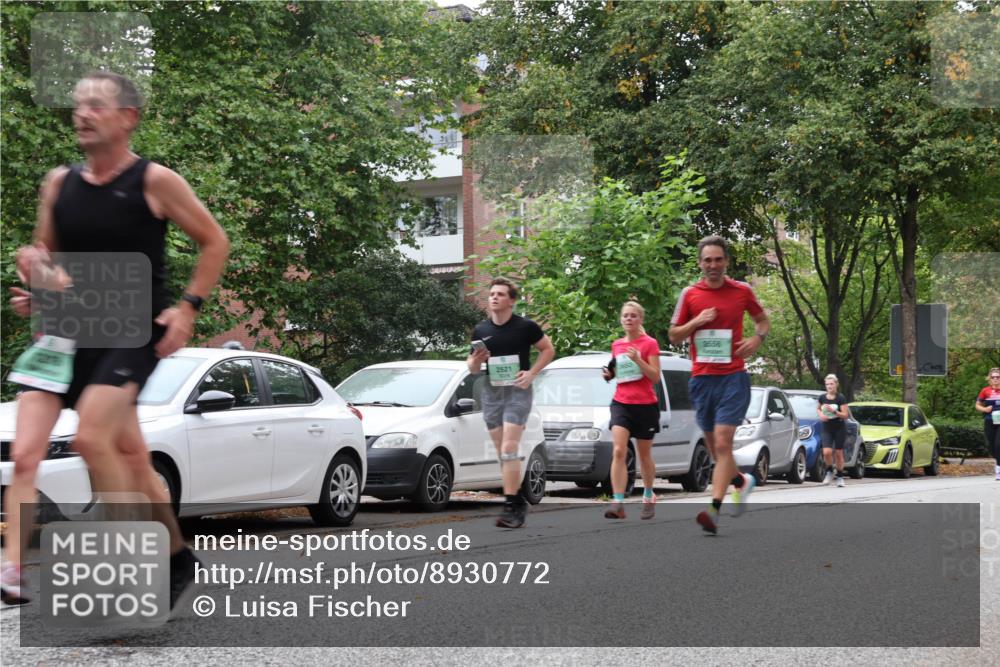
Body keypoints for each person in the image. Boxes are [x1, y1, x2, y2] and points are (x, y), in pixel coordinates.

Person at [1, 72, 229, 608]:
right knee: (128, 452)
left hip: (134, 332)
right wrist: (39, 286)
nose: (82, 113)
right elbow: (50, 257)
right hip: (75, 333)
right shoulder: (59, 184)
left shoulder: (155, 181)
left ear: (127, 118)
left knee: (91, 439)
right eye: (78, 104)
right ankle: (175, 556)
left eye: (96, 105)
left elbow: (215, 241)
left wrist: (187, 310)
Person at [668, 236, 770, 535]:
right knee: (716, 451)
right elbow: (674, 335)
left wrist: (756, 339)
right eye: (707, 260)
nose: (713, 265)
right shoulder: (690, 294)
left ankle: (713, 509)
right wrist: (696, 321)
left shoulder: (741, 291)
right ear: (700, 263)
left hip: (733, 378)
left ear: (726, 262)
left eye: (718, 260)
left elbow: (762, 321)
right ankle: (740, 481)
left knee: (724, 442)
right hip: (701, 379)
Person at [467, 277, 555, 528]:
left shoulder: (526, 327)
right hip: (492, 394)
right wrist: (477, 359)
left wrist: (532, 373)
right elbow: (472, 367)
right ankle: (517, 501)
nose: (494, 297)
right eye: (492, 293)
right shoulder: (481, 330)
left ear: (512, 301)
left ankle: (510, 505)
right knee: (503, 454)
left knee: (508, 449)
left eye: (501, 294)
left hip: (518, 392)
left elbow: (548, 349)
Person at [601, 301, 661, 520]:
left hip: (645, 404)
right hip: (621, 402)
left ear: (640, 320)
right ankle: (618, 501)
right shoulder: (617, 345)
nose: (629, 319)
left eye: (633, 316)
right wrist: (610, 375)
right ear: (621, 319)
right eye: (625, 315)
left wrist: (639, 359)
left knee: (644, 455)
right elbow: (621, 372)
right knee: (619, 450)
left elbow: (655, 376)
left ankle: (647, 494)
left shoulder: (650, 344)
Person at [817, 374, 850, 487]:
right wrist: (821, 414)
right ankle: (829, 471)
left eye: (831, 384)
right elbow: (818, 408)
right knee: (826, 452)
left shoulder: (840, 398)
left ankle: (840, 476)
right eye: (827, 384)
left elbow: (845, 415)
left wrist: (835, 412)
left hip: (839, 428)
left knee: (839, 453)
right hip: (827, 427)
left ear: (836, 384)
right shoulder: (822, 397)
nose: (829, 386)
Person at [974, 367, 1000, 481]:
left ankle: (998, 471)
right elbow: (977, 405)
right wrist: (985, 409)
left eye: (997, 377)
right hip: (989, 420)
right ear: (989, 379)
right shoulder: (985, 391)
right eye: (993, 377)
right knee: (991, 446)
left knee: (999, 445)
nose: (995, 379)